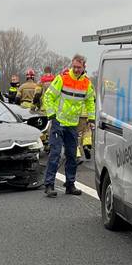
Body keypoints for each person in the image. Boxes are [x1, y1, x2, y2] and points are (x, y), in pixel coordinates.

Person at [41, 54, 95, 197]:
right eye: (74, 67)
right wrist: (51, 115)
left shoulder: (87, 83)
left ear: (84, 67)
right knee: (55, 154)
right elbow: (48, 96)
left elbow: (90, 101)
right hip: (58, 122)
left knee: (72, 156)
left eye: (79, 67)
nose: (76, 70)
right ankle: (49, 185)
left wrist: (92, 118)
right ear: (72, 65)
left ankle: (70, 184)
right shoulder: (62, 78)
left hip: (72, 124)